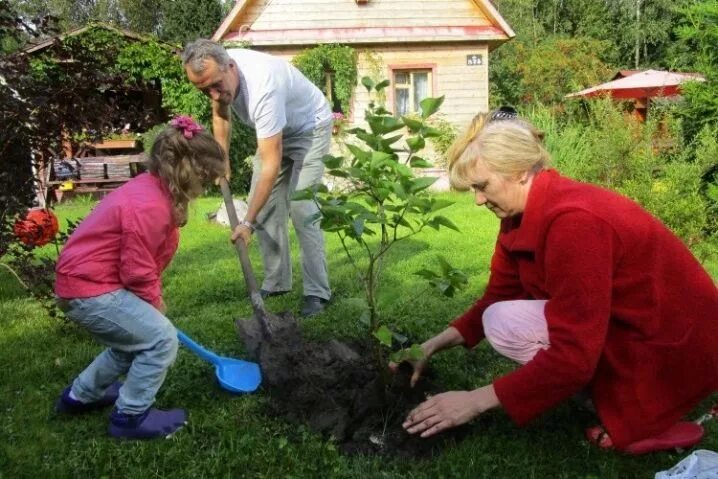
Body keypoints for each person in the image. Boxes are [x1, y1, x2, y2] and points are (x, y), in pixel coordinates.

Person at [394, 108, 718, 454]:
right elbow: (495, 298)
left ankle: (645, 415)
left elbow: (574, 356)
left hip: (674, 344)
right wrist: (427, 347)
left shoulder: (574, 224)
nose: (478, 199)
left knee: (532, 337)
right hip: (632, 325)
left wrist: (474, 401)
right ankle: (613, 394)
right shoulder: (521, 215)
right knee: (499, 319)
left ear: (519, 172)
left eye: (482, 186)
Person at [54, 116, 226, 439]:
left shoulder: (154, 190)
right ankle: (130, 417)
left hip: (88, 283)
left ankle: (80, 396)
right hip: (90, 290)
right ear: (190, 173)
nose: (205, 187)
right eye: (206, 179)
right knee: (161, 339)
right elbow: (136, 268)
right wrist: (154, 302)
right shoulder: (149, 205)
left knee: (133, 341)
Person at [181, 39, 332, 317]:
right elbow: (221, 116)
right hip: (277, 130)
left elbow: (270, 165)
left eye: (216, 86)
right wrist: (222, 160)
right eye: (204, 90)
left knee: (302, 208)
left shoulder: (263, 87)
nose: (214, 95)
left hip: (310, 127)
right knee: (265, 206)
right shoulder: (219, 74)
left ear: (231, 67)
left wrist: (247, 223)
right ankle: (276, 282)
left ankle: (317, 292)